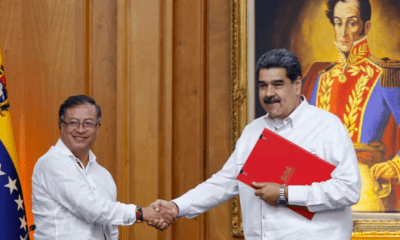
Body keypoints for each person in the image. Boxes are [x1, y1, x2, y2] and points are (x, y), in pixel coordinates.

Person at [149, 49, 361, 239]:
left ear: (297, 85)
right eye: (263, 86)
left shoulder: (327, 126)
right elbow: (225, 182)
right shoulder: (253, 131)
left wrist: (285, 193)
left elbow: (349, 189)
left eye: (277, 85)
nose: (269, 94)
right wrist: (176, 207)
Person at [301, 0, 400, 211]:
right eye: (338, 23)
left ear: (366, 27)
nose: (343, 32)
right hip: (317, 180)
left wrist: (394, 165)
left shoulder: (385, 75)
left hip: (361, 181)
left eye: (352, 23)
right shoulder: (321, 78)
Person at [32, 95, 173, 239]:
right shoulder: (50, 163)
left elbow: (109, 228)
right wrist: (142, 213)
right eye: (73, 123)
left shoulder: (103, 175)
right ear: (61, 125)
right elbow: (90, 208)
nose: (80, 130)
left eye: (88, 123)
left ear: (97, 127)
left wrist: (152, 214)